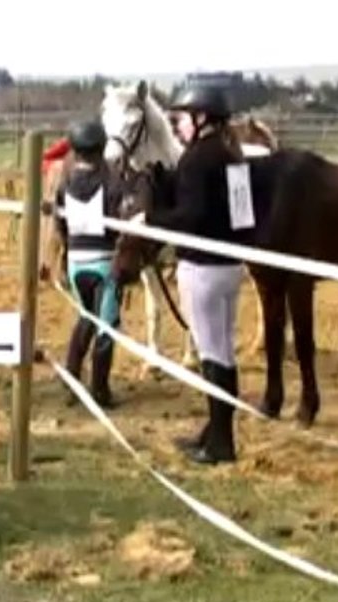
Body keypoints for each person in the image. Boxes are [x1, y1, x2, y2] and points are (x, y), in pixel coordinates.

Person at [146, 83, 251, 465]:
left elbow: (189, 218)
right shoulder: (232, 153)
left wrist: (152, 219)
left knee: (212, 354)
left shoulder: (195, 159)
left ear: (201, 118)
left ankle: (220, 442)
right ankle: (217, 431)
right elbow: (242, 214)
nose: (178, 126)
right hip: (230, 266)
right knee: (224, 350)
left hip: (202, 268)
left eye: (183, 119)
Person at [53, 119, 131, 408]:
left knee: (85, 317)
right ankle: (100, 389)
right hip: (104, 264)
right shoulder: (111, 185)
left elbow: (60, 225)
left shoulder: (66, 184)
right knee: (106, 325)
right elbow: (119, 224)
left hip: (75, 262)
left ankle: (71, 376)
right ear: (101, 150)